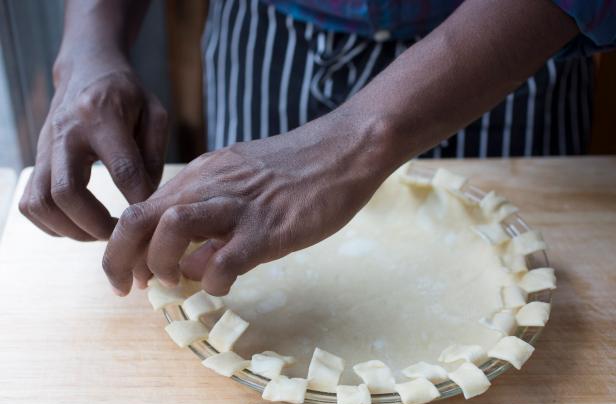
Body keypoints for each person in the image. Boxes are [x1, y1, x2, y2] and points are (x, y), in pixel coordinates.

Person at [18, 0, 615, 297]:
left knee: (502, 285)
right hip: (271, 37)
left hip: (504, 50)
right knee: (237, 286)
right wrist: (91, 37)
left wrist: (360, 136)